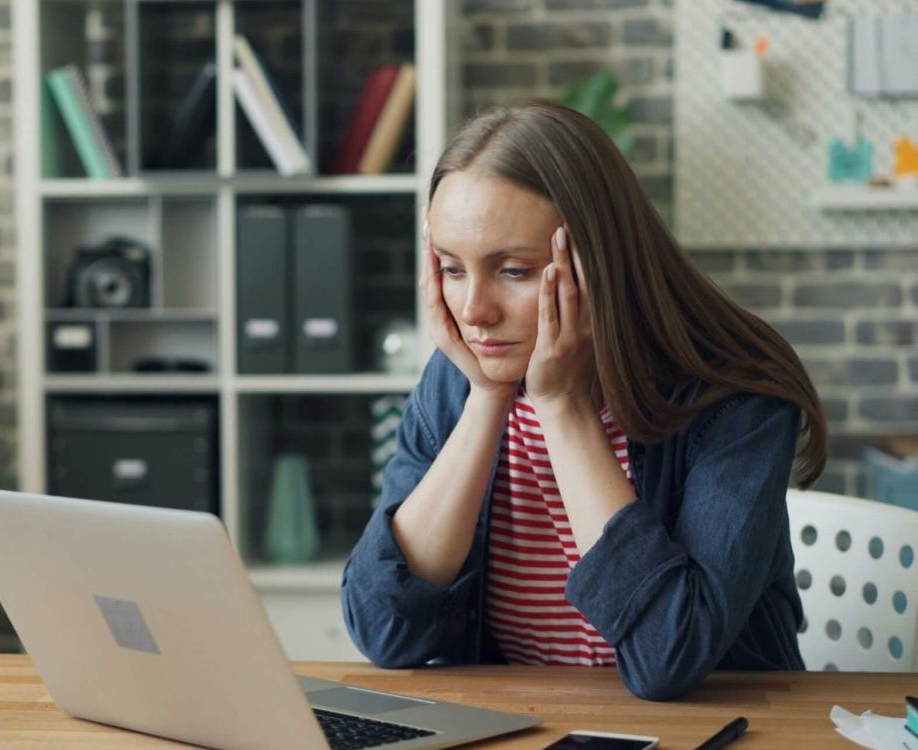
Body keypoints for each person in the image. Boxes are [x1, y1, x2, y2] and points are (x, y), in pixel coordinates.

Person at [341, 100, 827, 702]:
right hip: (524, 726)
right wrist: (487, 398)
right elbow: (383, 630)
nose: (473, 312)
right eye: (451, 268)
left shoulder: (734, 396)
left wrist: (564, 408)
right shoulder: (462, 378)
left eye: (514, 271)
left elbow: (667, 658)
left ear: (602, 261)